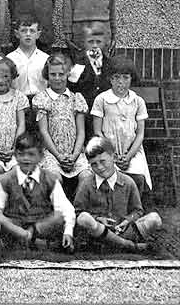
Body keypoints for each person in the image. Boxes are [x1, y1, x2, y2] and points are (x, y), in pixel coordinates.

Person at [0, 132, 75, 251]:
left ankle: (31, 239)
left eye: (31, 155)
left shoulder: (49, 179)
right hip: (15, 225)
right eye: (21, 155)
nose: (26, 159)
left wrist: (68, 232)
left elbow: (66, 208)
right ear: (15, 156)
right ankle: (25, 240)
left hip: (40, 224)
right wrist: (16, 230)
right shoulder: (6, 179)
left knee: (60, 215)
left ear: (40, 157)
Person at [74, 137, 162, 252]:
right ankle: (128, 246)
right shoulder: (86, 184)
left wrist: (127, 221)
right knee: (83, 218)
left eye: (103, 161)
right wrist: (99, 219)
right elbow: (78, 213)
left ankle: (113, 244)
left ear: (113, 157)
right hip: (99, 232)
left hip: (122, 231)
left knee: (155, 219)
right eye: (94, 164)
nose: (99, 167)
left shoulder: (128, 182)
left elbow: (137, 211)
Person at [32, 54, 91, 198]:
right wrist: (58, 156)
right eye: (53, 74)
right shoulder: (42, 99)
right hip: (52, 153)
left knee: (87, 176)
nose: (57, 78)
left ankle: (77, 208)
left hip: (74, 152)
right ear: (47, 75)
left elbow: (81, 132)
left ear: (68, 74)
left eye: (61, 74)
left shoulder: (76, 99)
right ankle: (59, 211)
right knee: (55, 178)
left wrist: (75, 155)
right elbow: (44, 131)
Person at [91, 57, 152, 195]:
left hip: (132, 151)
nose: (121, 82)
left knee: (137, 176)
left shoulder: (138, 101)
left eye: (126, 77)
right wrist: (112, 154)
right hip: (107, 150)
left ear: (131, 79)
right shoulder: (101, 100)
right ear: (110, 79)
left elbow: (140, 134)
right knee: (110, 179)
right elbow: (97, 132)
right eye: (116, 77)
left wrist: (128, 156)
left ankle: (134, 210)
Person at [6, 14, 50, 100]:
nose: (28, 34)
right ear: (17, 34)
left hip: (42, 102)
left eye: (32, 31)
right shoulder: (10, 59)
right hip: (17, 103)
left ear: (38, 34)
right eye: (23, 31)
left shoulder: (45, 59)